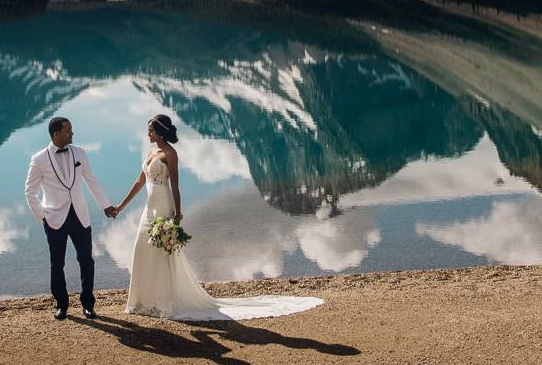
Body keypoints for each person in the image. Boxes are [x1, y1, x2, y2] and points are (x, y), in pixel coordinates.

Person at [111, 113, 323, 322]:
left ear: (159, 133)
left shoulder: (170, 154)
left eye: (150, 130)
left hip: (164, 206)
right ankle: (141, 301)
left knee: (163, 255)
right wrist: (120, 206)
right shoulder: (150, 152)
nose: (147, 133)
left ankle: (163, 303)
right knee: (142, 250)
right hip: (148, 209)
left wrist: (177, 214)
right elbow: (140, 182)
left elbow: (175, 186)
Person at [23, 116, 115, 320]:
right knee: (57, 263)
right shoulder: (39, 159)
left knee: (86, 260)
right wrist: (42, 216)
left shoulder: (79, 152)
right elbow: (30, 192)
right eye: (68, 131)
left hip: (80, 216)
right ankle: (61, 305)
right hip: (54, 218)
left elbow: (91, 180)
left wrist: (105, 205)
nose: (72, 134)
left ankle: (88, 304)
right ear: (56, 134)